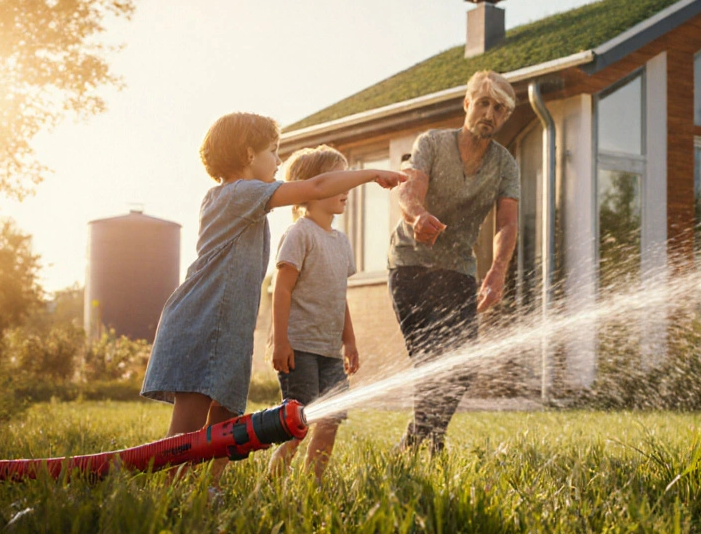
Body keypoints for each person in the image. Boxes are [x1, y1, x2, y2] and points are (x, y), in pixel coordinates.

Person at [141, 113, 406, 460]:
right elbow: (314, 187)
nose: (279, 160)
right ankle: (171, 492)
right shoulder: (237, 194)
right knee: (189, 427)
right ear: (249, 154)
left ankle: (211, 489)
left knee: (226, 420)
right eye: (273, 150)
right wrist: (372, 172)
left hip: (229, 326)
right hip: (203, 320)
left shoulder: (241, 199)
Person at [390, 70, 520, 452]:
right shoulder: (431, 143)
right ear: (467, 104)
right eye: (483, 103)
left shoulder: (505, 164)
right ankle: (429, 445)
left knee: (462, 365)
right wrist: (418, 217)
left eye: (499, 109)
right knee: (430, 357)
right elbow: (410, 192)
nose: (490, 114)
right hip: (410, 264)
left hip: (458, 268)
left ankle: (418, 439)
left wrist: (497, 273)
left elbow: (507, 223)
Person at [266, 145, 360, 479]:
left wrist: (349, 341)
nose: (346, 187)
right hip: (299, 347)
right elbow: (282, 289)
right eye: (338, 179)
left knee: (331, 419)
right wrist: (280, 342)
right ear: (311, 187)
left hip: (329, 350)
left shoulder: (342, 242)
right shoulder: (299, 233)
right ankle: (274, 479)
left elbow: (340, 296)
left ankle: (312, 484)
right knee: (297, 423)